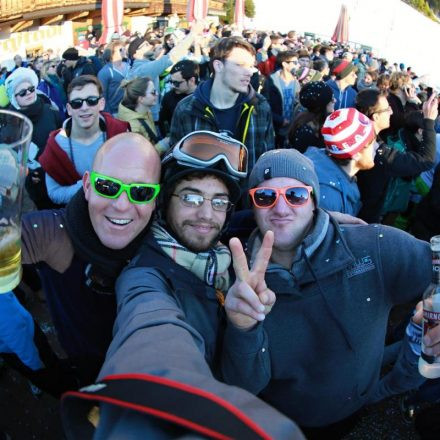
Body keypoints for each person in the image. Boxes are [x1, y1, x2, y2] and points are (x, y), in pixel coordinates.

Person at [75, 131, 304, 439]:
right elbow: (150, 325)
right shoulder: (144, 277)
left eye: (219, 201)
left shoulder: (228, 264)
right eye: (191, 197)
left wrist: (243, 327)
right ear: (163, 203)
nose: (206, 214)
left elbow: (250, 383)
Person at [223, 148, 438, 439]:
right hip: (279, 419)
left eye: (295, 195)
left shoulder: (372, 246)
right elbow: (243, 385)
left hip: (353, 408)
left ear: (313, 200)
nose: (281, 208)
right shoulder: (236, 276)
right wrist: (242, 329)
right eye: (265, 197)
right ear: (253, 205)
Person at [20, 133, 161, 386]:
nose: (121, 205)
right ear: (87, 186)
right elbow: (17, 238)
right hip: (84, 358)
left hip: (139, 369)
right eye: (107, 186)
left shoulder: (162, 244)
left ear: (155, 199)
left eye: (140, 192)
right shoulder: (55, 233)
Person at [170, 37, 274, 170]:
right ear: (218, 66)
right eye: (240, 65)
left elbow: (266, 162)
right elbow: (176, 162)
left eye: (251, 66)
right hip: (201, 188)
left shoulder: (260, 107)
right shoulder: (186, 109)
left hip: (244, 190)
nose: (249, 72)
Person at [39, 75, 129, 205]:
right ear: (69, 109)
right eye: (77, 103)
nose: (84, 107)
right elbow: (54, 193)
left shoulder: (120, 134)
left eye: (91, 100)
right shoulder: (56, 146)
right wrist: (91, 185)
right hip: (79, 216)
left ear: (101, 104)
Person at [355, 88, 437, 223]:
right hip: (360, 221)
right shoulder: (377, 152)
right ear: (375, 117)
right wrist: (429, 121)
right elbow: (426, 160)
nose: (392, 112)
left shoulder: (360, 138)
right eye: (387, 109)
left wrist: (411, 103)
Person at [4, 67, 62, 210]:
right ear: (14, 98)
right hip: (33, 187)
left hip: (58, 174)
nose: (29, 93)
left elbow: (63, 138)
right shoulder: (10, 126)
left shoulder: (50, 111)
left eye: (30, 89)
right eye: (22, 93)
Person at [305, 107, 377, 215]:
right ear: (356, 154)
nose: (377, 147)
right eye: (372, 143)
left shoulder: (321, 162)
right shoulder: (329, 200)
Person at [127, 22, 202, 122]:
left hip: (147, 118)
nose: (150, 46)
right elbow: (172, 57)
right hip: (147, 120)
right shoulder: (143, 70)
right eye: (145, 45)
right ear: (135, 54)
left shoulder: (144, 67)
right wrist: (192, 34)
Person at [117, 77, 169, 155]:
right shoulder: (133, 127)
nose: (157, 94)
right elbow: (141, 157)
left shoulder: (144, 109)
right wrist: (162, 145)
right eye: (153, 92)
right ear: (141, 99)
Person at [262, 50, 300, 147]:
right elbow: (264, 104)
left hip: (292, 128)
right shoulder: (271, 81)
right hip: (275, 128)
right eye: (294, 62)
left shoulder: (298, 82)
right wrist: (279, 120)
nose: (298, 65)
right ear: (284, 64)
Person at [288, 81, 334, 153]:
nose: (335, 101)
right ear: (322, 105)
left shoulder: (318, 122)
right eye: (331, 99)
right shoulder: (305, 131)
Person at [158, 60, 199, 136]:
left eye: (176, 83)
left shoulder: (205, 96)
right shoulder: (168, 97)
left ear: (191, 80)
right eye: (171, 81)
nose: (172, 86)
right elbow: (163, 122)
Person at [97, 41, 130, 115]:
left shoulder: (128, 66)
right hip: (115, 112)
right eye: (121, 50)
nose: (124, 51)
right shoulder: (105, 72)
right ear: (112, 53)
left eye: (124, 49)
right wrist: (108, 116)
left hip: (130, 110)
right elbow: (102, 96)